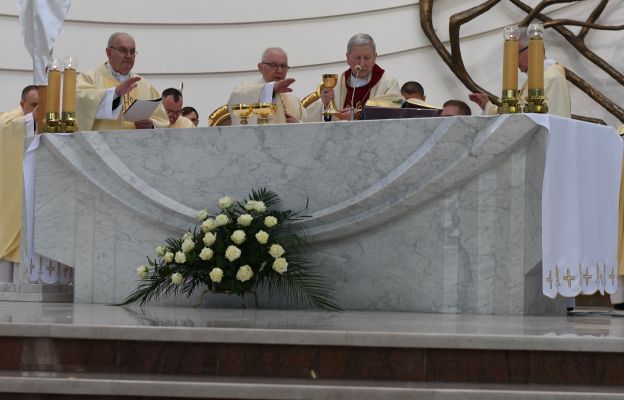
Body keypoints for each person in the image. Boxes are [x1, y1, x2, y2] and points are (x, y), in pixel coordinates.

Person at [76, 32, 169, 131]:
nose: (129, 56)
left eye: (132, 52)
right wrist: (115, 93)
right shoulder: (89, 78)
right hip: (104, 143)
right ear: (109, 52)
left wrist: (151, 124)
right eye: (123, 50)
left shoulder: (145, 86)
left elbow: (162, 119)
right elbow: (82, 106)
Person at [469, 28, 571, 118]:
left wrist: (490, 109)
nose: (514, 62)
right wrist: (487, 106)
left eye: (515, 54)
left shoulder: (550, 77)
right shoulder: (539, 77)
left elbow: (529, 116)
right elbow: (518, 111)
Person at [308, 33, 401, 121]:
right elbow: (313, 117)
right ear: (347, 58)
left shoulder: (388, 84)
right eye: (357, 58)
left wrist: (360, 115)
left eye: (367, 58)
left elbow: (395, 113)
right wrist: (326, 105)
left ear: (375, 57)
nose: (362, 63)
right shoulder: (336, 84)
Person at [228, 47, 307, 124]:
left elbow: (309, 130)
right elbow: (236, 97)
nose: (279, 71)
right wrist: (271, 88)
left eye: (283, 66)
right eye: (274, 65)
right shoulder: (246, 90)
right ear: (260, 67)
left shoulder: (295, 101)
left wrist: (298, 124)